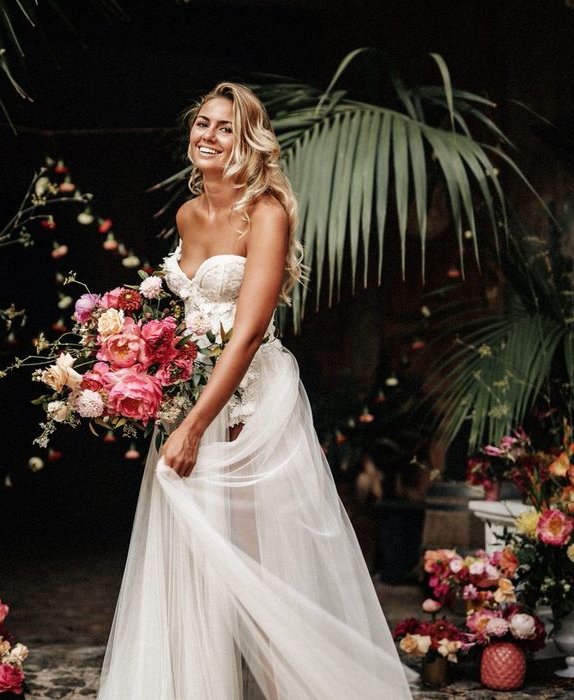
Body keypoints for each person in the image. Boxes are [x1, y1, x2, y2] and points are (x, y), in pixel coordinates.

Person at [97, 82, 415, 699]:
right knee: (191, 565)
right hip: (190, 403)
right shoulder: (189, 215)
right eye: (203, 124)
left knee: (257, 571)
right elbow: (186, 316)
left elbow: (243, 337)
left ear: (248, 144)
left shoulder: (266, 212)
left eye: (225, 128)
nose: (208, 136)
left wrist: (192, 428)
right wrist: (132, 363)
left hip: (247, 407)